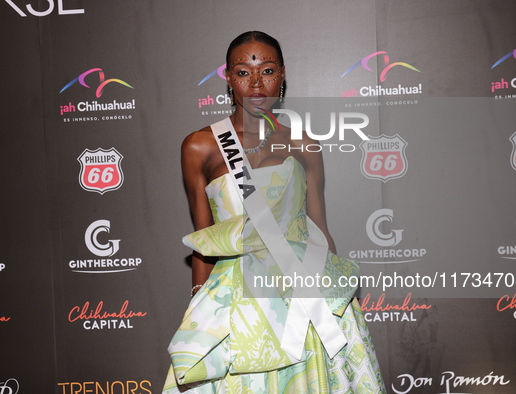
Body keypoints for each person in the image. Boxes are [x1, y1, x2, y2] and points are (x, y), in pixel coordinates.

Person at [163, 31, 386, 393]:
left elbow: (321, 232)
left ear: (282, 75)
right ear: (228, 77)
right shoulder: (200, 146)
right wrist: (198, 311)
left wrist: (339, 305)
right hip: (238, 301)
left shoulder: (303, 143)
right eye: (242, 72)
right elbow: (204, 241)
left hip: (305, 292)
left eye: (266, 70)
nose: (255, 83)